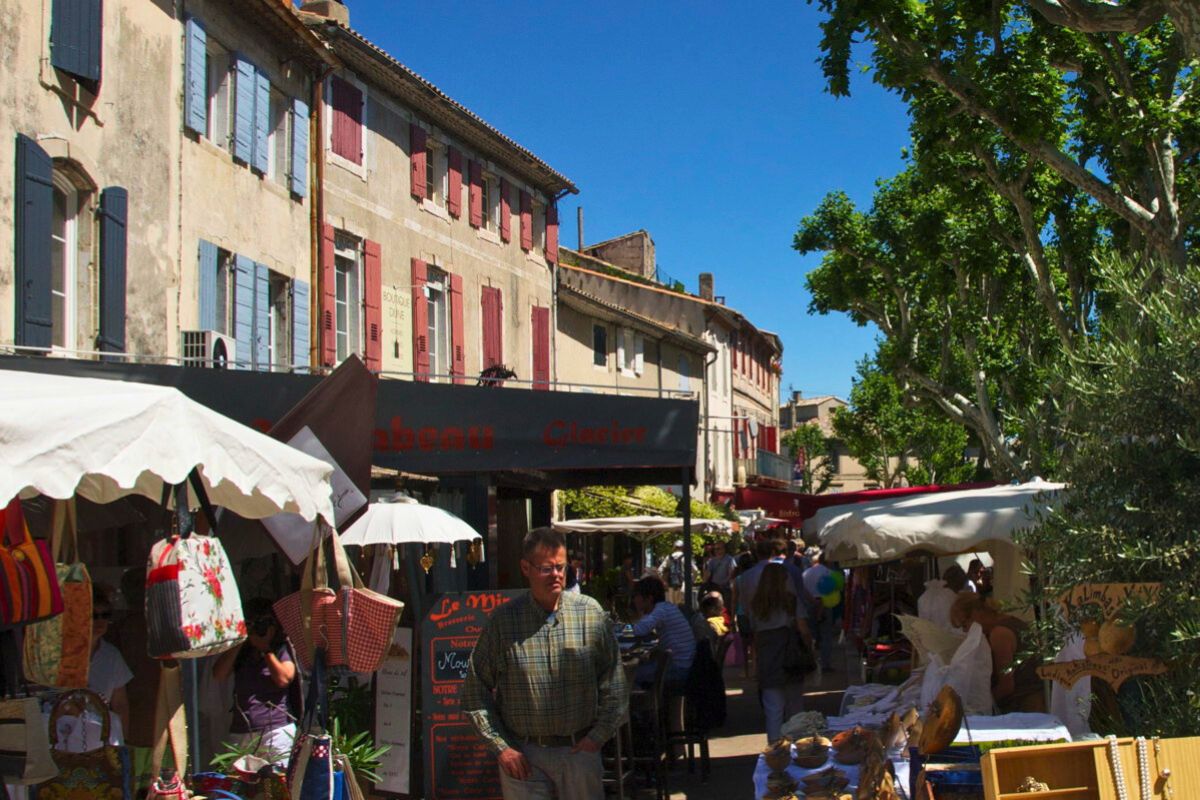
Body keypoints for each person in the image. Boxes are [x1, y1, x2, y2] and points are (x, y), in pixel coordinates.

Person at [463, 528, 627, 800]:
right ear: (525, 568)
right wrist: (501, 748)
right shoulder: (504, 622)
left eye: (561, 567)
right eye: (546, 568)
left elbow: (615, 683)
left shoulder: (590, 613)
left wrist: (597, 738)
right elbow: (474, 692)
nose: (556, 575)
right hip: (524, 756)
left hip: (579, 751)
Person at [212, 598, 298, 766]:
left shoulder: (281, 649)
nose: (260, 628)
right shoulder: (243, 653)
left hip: (275, 731)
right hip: (242, 731)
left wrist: (265, 649)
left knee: (276, 786)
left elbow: (284, 679)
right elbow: (218, 675)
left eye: (265, 623)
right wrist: (240, 641)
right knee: (242, 785)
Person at [949, 592, 1044, 713]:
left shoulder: (1000, 634)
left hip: (1024, 707)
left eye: (964, 624)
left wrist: (981, 705)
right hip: (1031, 702)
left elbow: (1006, 686)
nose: (965, 630)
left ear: (976, 614)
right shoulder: (1010, 622)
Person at [749, 563, 811, 743]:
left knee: (773, 709)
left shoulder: (756, 604)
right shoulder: (791, 600)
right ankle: (797, 748)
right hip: (789, 653)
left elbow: (755, 634)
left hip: (767, 655)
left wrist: (754, 664)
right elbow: (803, 629)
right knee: (795, 707)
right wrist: (809, 648)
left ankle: (776, 751)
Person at [630, 576, 696, 688]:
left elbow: (639, 630)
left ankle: (647, 704)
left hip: (679, 669)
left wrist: (615, 629)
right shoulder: (668, 607)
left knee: (630, 676)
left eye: (636, 596)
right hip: (687, 665)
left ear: (649, 599)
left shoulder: (660, 611)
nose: (634, 600)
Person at [87, 585, 132, 744]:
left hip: (101, 738)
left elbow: (120, 705)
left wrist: (123, 744)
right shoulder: (64, 654)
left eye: (105, 615)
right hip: (66, 735)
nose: (100, 621)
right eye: (93, 615)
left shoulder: (112, 655)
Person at [801, 552, 836, 671]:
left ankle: (810, 661)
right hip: (824, 605)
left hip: (809, 605)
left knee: (810, 635)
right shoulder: (829, 573)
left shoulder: (806, 572)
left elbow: (802, 589)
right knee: (826, 636)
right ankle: (825, 664)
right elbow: (829, 592)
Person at [658, 540, 696, 605]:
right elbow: (695, 570)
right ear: (683, 547)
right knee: (682, 607)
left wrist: (664, 581)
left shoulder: (669, 557)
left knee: (672, 608)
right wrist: (691, 581)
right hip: (683, 586)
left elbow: (659, 570)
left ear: (674, 547)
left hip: (671, 586)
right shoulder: (686, 557)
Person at [691, 592, 728, 659]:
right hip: (707, 658)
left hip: (706, 658)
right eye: (719, 607)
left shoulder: (702, 621)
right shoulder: (703, 623)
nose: (722, 609)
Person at [701, 540, 737, 607]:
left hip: (725, 588)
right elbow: (708, 574)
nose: (716, 551)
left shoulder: (730, 559)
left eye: (718, 549)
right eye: (715, 549)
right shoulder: (712, 561)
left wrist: (724, 583)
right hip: (715, 587)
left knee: (725, 607)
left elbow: (732, 573)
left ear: (724, 549)